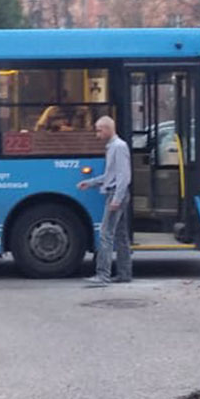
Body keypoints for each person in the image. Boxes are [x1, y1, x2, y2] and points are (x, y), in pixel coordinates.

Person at [77, 115, 132, 286]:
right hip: (116, 193)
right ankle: (124, 274)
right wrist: (91, 182)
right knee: (121, 236)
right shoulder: (113, 147)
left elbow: (124, 176)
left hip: (116, 194)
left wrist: (117, 198)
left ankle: (103, 276)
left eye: (99, 130)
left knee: (105, 234)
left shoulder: (119, 147)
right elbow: (110, 175)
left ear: (108, 129)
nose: (97, 134)